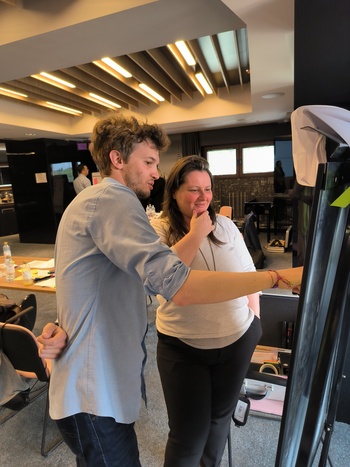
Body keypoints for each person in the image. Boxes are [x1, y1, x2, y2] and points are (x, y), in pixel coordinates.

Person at [38, 113, 302, 467]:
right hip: (94, 393)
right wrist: (277, 279)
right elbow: (177, 285)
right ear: (117, 159)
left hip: (100, 388)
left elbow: (94, 283)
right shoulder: (113, 200)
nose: (155, 173)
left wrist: (58, 324)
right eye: (148, 162)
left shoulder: (95, 206)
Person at [151, 155, 261, 466]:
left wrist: (254, 325)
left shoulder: (225, 225)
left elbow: (250, 276)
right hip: (184, 348)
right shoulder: (158, 230)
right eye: (193, 190)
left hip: (236, 341)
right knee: (188, 437)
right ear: (174, 191)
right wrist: (196, 233)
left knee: (217, 427)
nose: (203, 198)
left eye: (208, 189)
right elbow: (162, 280)